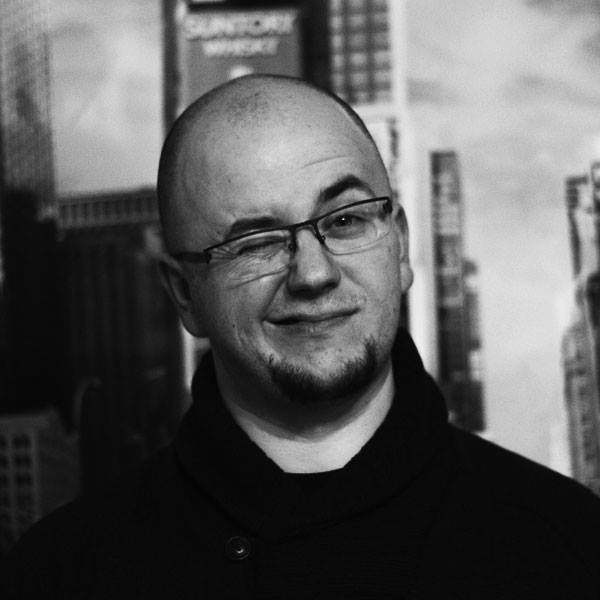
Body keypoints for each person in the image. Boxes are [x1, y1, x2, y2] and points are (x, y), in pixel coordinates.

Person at [2, 75, 600, 599]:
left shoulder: (572, 548)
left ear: (400, 247)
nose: (313, 274)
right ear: (185, 294)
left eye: (346, 220)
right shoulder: (59, 576)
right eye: (255, 243)